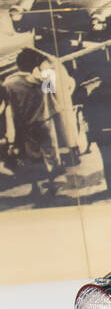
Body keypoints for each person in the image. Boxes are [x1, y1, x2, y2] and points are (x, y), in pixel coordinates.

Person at [1, 48, 61, 201]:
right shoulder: (43, 80)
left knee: (32, 157)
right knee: (50, 154)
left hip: (26, 126)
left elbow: (8, 107)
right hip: (45, 122)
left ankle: (36, 188)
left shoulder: (10, 83)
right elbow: (52, 71)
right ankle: (51, 185)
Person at [76, 74, 111, 198]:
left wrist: (93, 130)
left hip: (102, 132)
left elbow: (88, 113)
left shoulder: (94, 94)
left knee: (108, 159)